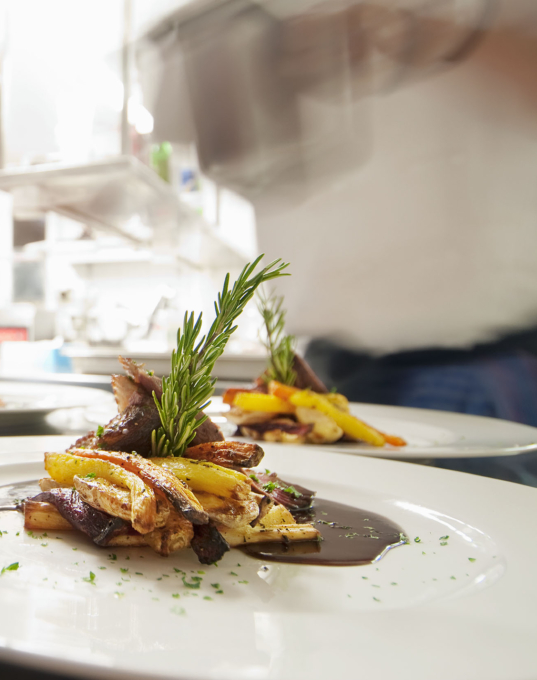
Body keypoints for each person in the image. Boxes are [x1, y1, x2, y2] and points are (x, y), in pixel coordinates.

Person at [179, 0, 537, 483]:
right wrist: (234, 63)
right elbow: (207, 136)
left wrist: (435, 34)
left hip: (476, 364)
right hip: (320, 368)